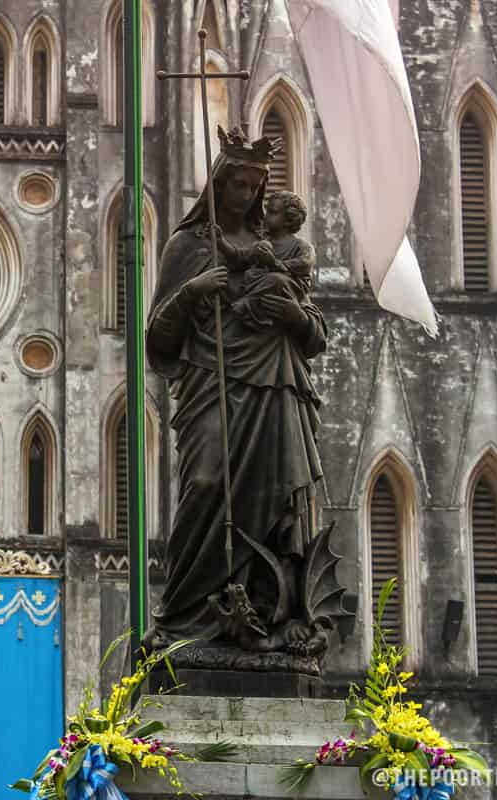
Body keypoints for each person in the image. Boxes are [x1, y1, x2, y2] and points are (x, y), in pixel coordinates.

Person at [144, 127, 329, 653]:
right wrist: (192, 293)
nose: (245, 197)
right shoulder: (190, 245)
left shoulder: (278, 249)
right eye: (236, 186)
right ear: (218, 185)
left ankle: (271, 615)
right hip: (213, 383)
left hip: (277, 388)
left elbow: (314, 333)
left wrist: (292, 313)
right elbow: (158, 335)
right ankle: (183, 618)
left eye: (254, 188)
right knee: (204, 483)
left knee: (280, 505)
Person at [230, 190, 315, 331]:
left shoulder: (302, 246)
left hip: (290, 288)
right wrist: (220, 241)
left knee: (277, 279)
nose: (265, 216)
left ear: (289, 218)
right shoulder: (262, 243)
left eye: (272, 212)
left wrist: (274, 263)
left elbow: (304, 263)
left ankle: (248, 304)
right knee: (250, 275)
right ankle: (253, 308)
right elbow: (240, 256)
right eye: (266, 210)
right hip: (262, 288)